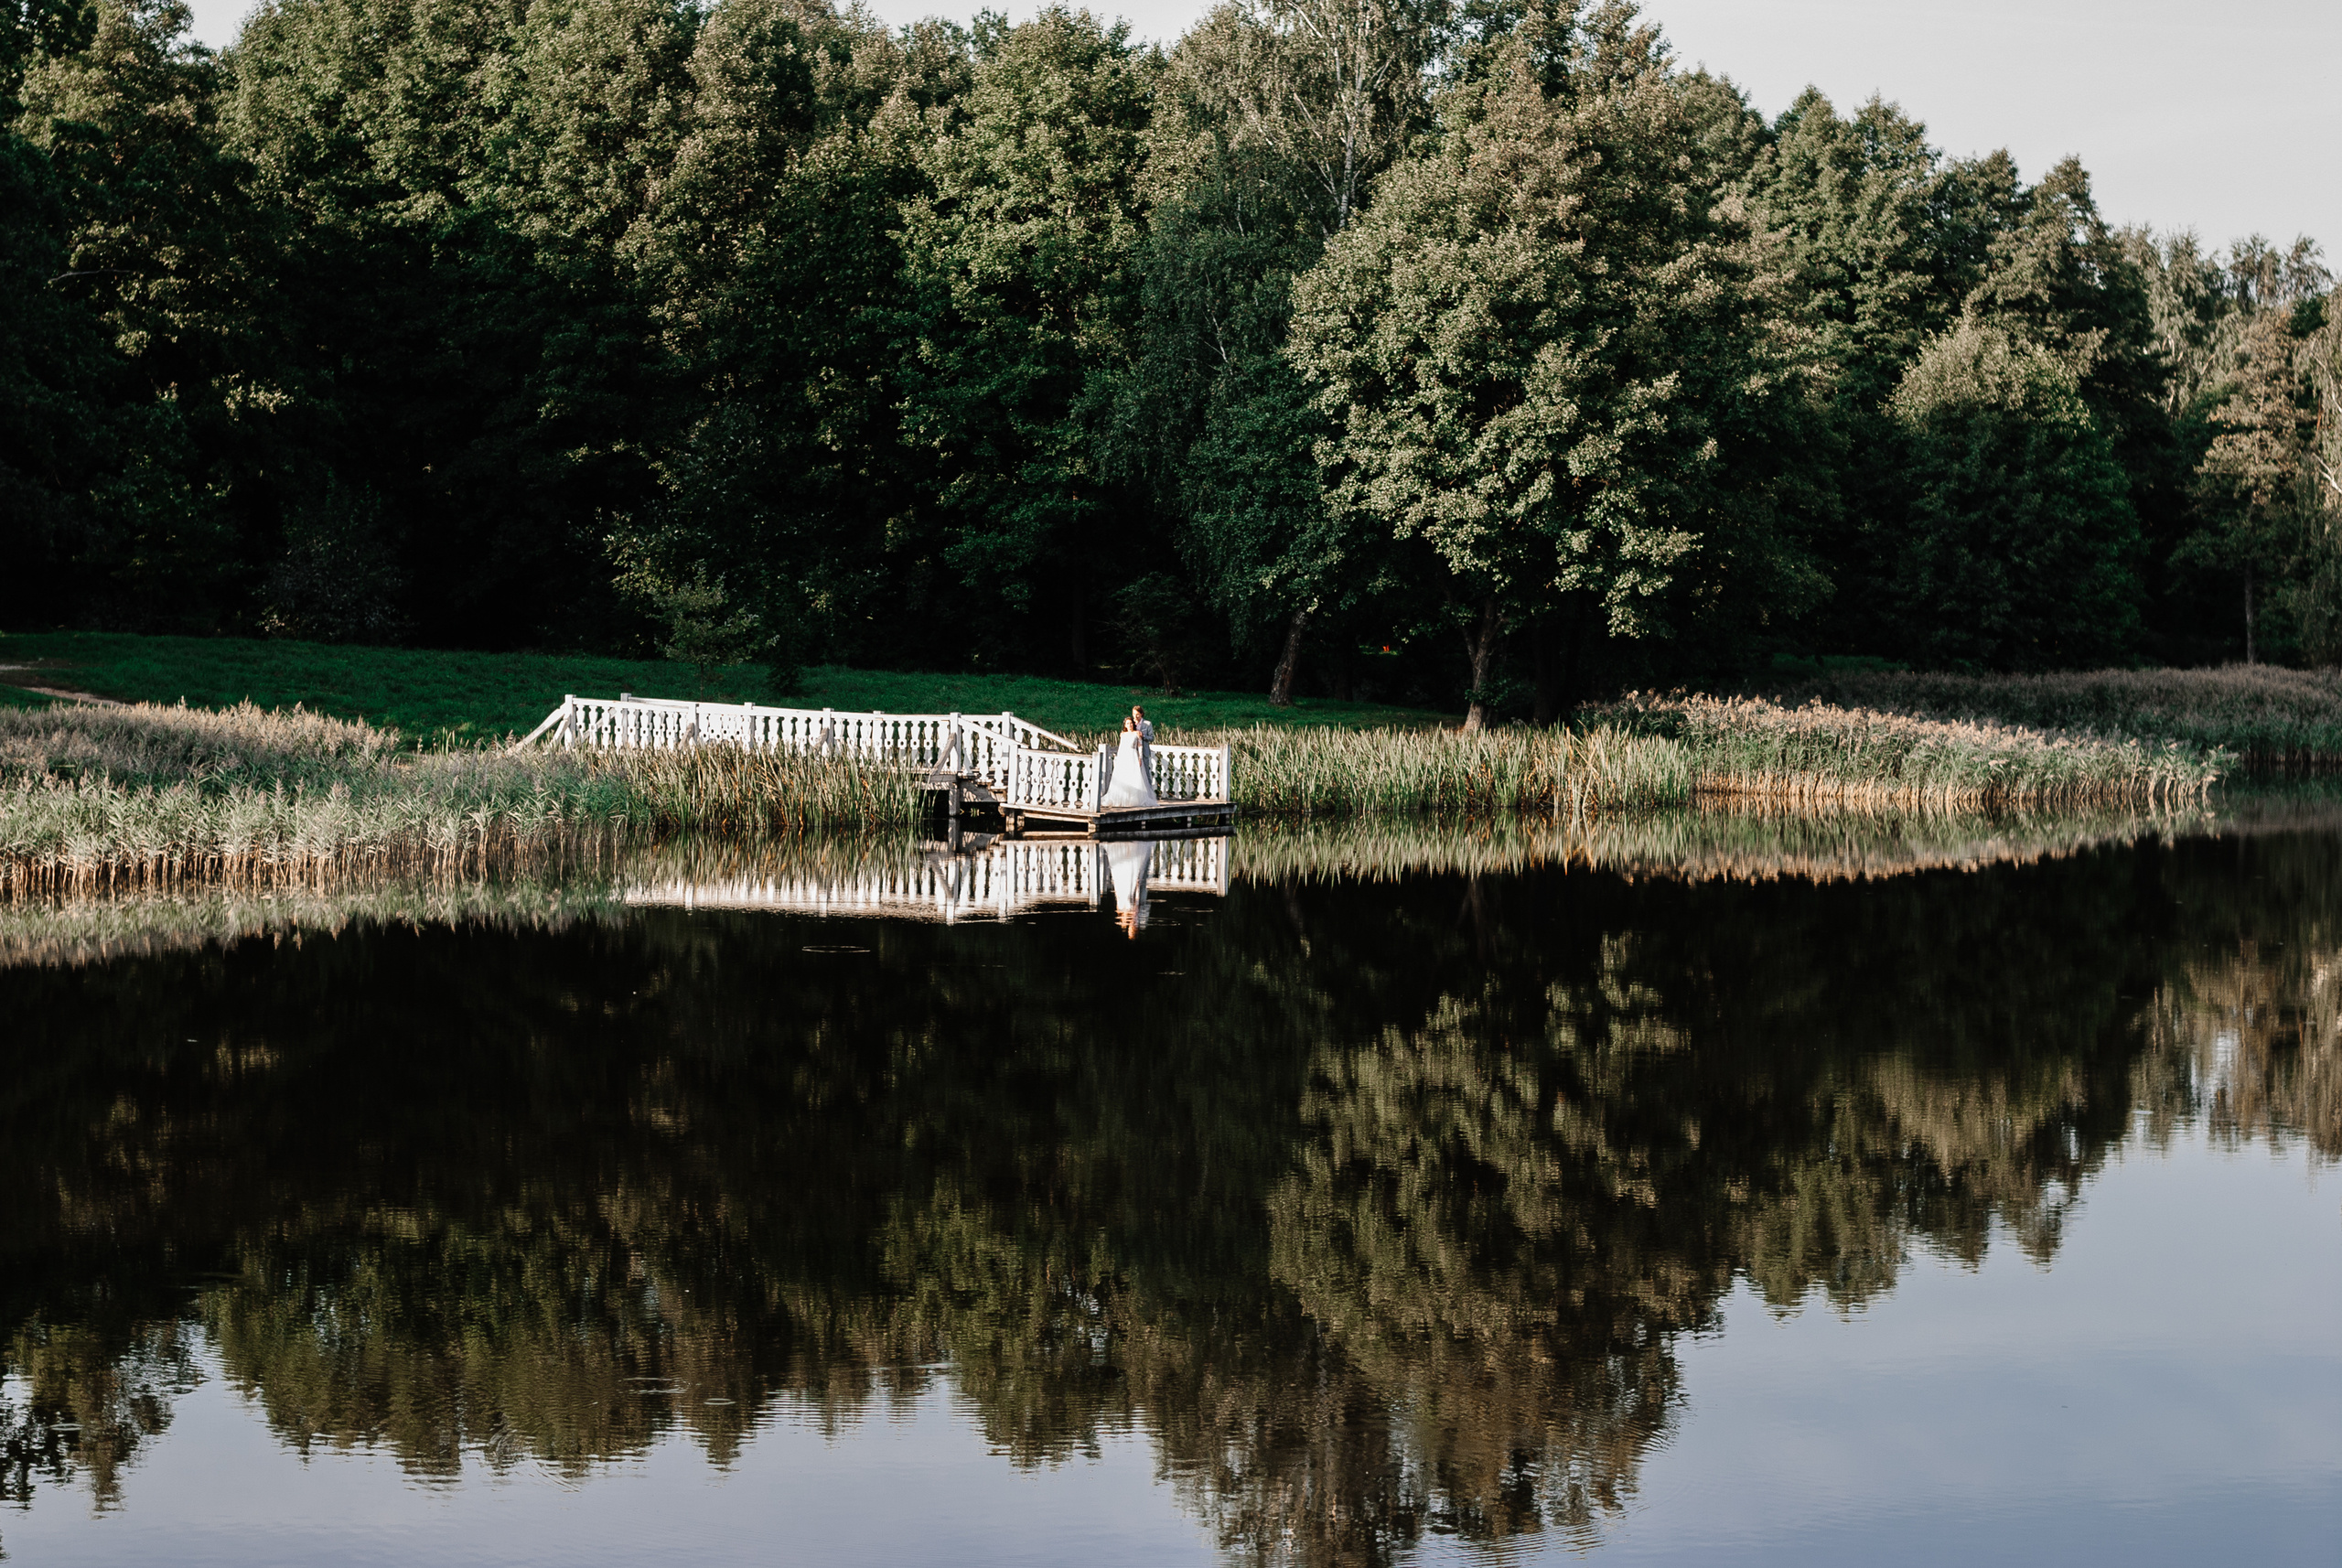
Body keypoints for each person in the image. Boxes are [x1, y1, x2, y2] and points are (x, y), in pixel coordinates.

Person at [1101, 714, 1158, 809]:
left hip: (1133, 755)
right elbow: (1121, 747)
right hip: (1124, 756)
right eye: (1128, 723)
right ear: (1125, 725)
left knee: (1133, 777)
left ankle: (1133, 799)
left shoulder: (1136, 733)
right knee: (1123, 777)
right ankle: (1122, 798)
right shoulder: (1123, 734)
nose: (1130, 725)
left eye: (1131, 723)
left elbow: (1140, 746)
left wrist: (1140, 758)